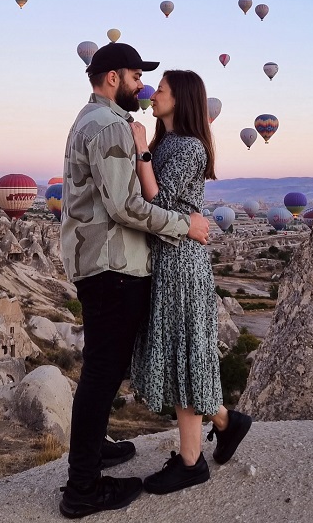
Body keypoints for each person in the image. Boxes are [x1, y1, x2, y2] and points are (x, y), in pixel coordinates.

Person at [59, 43, 210, 519]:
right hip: (113, 266)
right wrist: (186, 225)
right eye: (134, 77)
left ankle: (96, 451)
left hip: (100, 263)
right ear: (111, 78)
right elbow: (127, 207)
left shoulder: (94, 120)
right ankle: (82, 488)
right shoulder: (108, 127)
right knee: (102, 374)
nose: (141, 85)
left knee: (100, 369)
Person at [130, 69, 252, 494]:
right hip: (166, 258)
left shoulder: (189, 147)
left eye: (160, 89)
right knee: (183, 353)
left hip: (180, 263)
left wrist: (141, 150)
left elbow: (157, 202)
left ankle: (191, 462)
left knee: (184, 354)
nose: (152, 93)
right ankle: (226, 422)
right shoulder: (169, 143)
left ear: (180, 98)